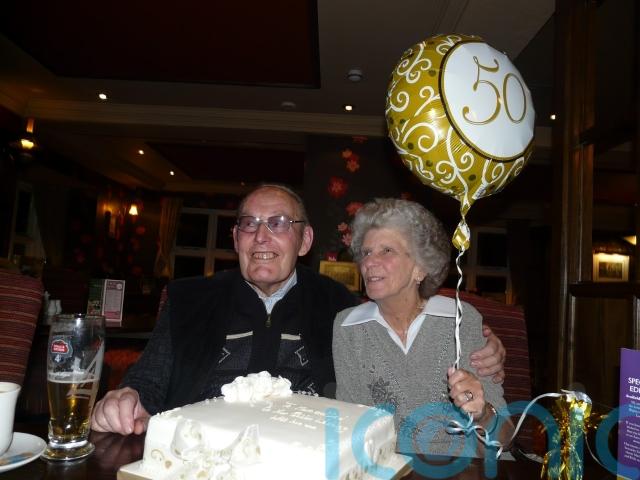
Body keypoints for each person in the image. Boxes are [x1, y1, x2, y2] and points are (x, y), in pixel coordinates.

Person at [91, 185, 506, 436]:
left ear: (304, 241)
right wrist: (128, 395)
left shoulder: (339, 306)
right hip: (198, 453)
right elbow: (149, 378)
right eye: (249, 224)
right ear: (235, 239)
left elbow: (405, 330)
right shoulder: (188, 298)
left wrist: (488, 350)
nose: (261, 236)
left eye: (278, 223)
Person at [332, 198, 514, 456]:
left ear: (421, 267)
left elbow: (504, 439)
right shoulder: (348, 327)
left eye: (386, 251)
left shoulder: (460, 320)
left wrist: (482, 414)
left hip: (465, 467)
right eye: (366, 252)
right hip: (389, 467)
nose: (369, 262)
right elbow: (353, 430)